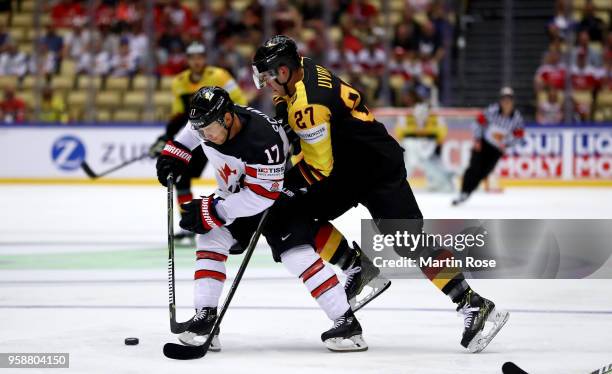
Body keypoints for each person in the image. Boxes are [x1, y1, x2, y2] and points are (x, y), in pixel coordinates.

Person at [252, 35, 509, 352]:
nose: (265, 85)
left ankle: (474, 304)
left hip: (374, 169)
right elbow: (288, 107)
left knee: (408, 242)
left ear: (283, 71)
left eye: (267, 78)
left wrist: (283, 186)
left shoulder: (309, 104)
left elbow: (318, 168)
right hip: (349, 166)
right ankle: (358, 268)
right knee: (290, 214)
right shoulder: (301, 69)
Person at [155, 86, 365, 352]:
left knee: (296, 256)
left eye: (208, 130)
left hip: (277, 198)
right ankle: (206, 318)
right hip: (238, 195)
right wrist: (174, 155)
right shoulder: (209, 122)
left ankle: (347, 324)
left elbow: (262, 196)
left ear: (228, 118)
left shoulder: (262, 142)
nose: (204, 136)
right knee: (210, 237)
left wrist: (214, 211)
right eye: (201, 130)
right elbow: (189, 135)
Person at [149, 42, 247, 240]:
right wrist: (167, 138)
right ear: (188, 60)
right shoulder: (179, 82)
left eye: (200, 57)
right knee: (181, 178)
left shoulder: (220, 76)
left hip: (219, 134)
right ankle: (188, 224)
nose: (197, 61)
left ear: (205, 58)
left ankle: (236, 222)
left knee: (231, 179)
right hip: (196, 135)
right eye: (193, 57)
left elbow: (240, 104)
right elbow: (179, 116)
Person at [452, 87, 525, 206]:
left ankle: (468, 192)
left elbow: (519, 137)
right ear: (500, 100)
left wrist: (506, 144)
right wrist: (477, 139)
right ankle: (464, 192)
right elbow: (478, 122)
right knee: (473, 168)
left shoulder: (517, 118)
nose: (506, 102)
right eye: (504, 99)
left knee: (484, 172)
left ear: (512, 101)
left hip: (496, 150)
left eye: (509, 100)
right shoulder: (492, 110)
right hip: (483, 144)